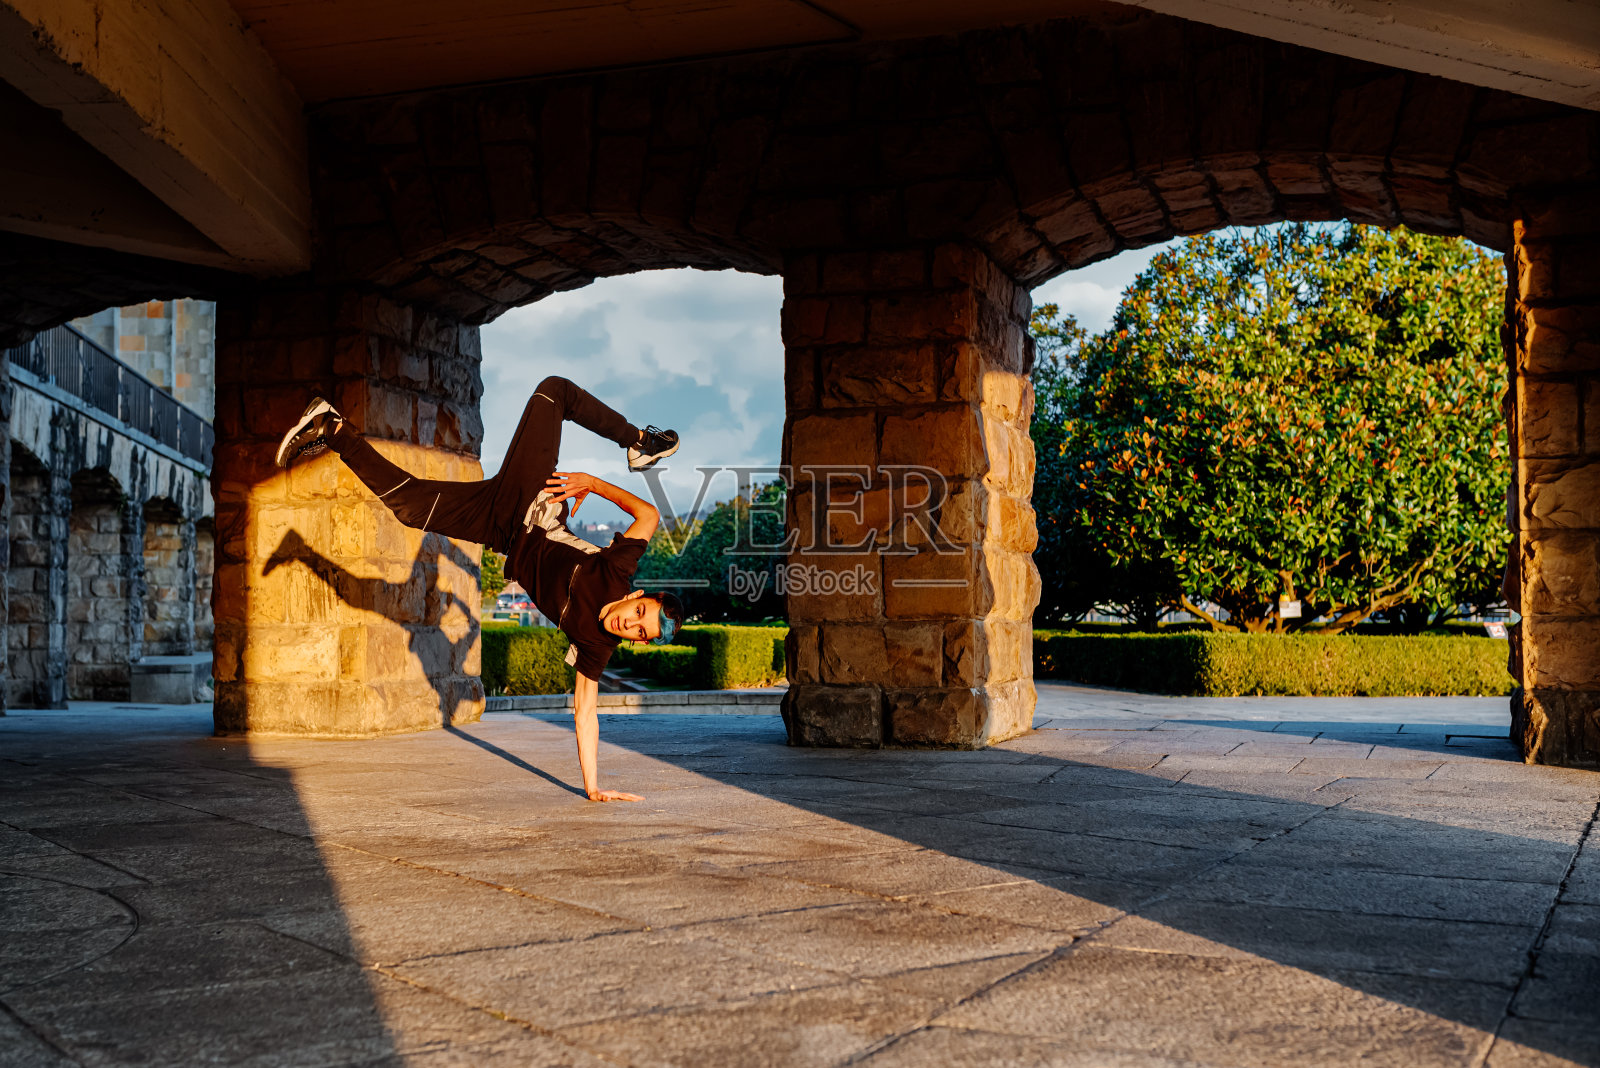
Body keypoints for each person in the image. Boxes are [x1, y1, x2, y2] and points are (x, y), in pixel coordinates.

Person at [273, 376, 684, 802]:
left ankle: (333, 429)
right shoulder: (617, 572)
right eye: (639, 614)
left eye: (639, 632)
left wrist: (594, 788)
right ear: (638, 598)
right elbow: (649, 515)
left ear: (637, 641)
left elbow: (585, 713)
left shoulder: (596, 645)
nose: (628, 624)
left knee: (410, 508)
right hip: (531, 498)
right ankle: (641, 442)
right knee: (554, 391)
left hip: (498, 528)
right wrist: (592, 484)